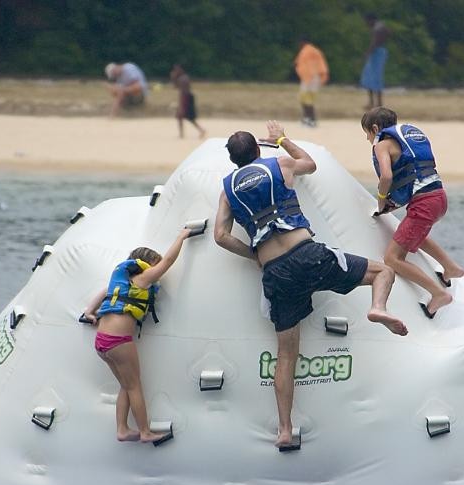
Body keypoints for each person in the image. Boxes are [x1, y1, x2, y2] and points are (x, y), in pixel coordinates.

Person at [214, 120, 408, 449]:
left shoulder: (227, 190)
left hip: (275, 272)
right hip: (307, 254)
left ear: (233, 161)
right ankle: (377, 308)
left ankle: (285, 431)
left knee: (286, 356)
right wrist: (283, 139)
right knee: (382, 273)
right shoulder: (279, 163)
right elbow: (311, 164)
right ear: (259, 150)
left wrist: (254, 255)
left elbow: (220, 236)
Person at [83, 231, 192, 443]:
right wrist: (182, 236)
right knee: (134, 386)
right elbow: (168, 261)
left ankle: (122, 429)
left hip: (102, 342)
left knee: (126, 384)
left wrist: (89, 311)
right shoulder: (142, 278)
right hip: (118, 342)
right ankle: (145, 431)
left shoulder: (120, 281)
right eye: (155, 265)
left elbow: (102, 293)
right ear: (146, 263)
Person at [361, 107, 464, 318]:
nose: (368, 139)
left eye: (367, 134)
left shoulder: (382, 145)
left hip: (424, 204)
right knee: (412, 233)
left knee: (392, 258)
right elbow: (415, 182)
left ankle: (438, 294)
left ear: (375, 128)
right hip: (439, 198)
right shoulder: (406, 141)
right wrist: (394, 204)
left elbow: (387, 177)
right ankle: (450, 267)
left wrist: (381, 200)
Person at [294, 39, 329, 127]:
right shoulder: (316, 51)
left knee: (306, 100)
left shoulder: (305, 51)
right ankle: (308, 118)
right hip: (315, 77)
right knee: (308, 100)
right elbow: (321, 64)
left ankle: (311, 119)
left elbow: (300, 64)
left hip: (308, 78)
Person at [360, 14, 388, 110]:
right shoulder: (382, 26)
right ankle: (375, 103)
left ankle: (376, 103)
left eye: (367, 22)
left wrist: (367, 53)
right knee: (373, 78)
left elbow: (374, 43)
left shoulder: (377, 28)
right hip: (381, 51)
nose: (366, 24)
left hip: (377, 53)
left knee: (373, 78)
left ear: (371, 20)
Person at [170, 64, 206, 139]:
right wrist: (173, 78)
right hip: (186, 97)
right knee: (183, 117)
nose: (176, 71)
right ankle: (184, 133)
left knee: (184, 116)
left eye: (177, 69)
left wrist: (181, 105)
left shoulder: (183, 79)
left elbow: (182, 92)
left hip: (185, 98)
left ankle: (183, 134)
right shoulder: (183, 78)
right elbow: (176, 87)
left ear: (181, 69)